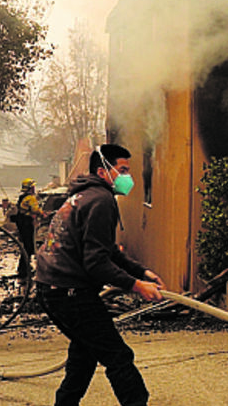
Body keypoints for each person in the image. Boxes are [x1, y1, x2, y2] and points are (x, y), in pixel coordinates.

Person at [35, 143, 165, 406]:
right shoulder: (101, 201)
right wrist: (137, 285)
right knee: (118, 357)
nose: (128, 177)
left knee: (84, 355)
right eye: (123, 170)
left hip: (53, 289)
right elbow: (96, 263)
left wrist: (141, 271)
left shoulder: (84, 196)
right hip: (71, 293)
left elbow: (106, 250)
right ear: (103, 171)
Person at [14, 178, 45, 278]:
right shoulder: (31, 198)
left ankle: (23, 268)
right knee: (28, 247)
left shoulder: (22, 197)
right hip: (27, 224)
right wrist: (43, 214)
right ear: (31, 188)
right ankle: (24, 269)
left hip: (21, 223)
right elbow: (35, 209)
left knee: (26, 245)